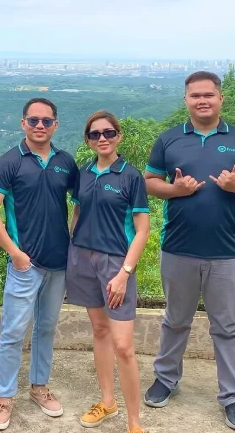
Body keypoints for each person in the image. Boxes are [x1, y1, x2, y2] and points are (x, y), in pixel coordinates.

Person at [142, 71, 235, 431]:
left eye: (209, 95)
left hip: (227, 252)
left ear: (221, 98)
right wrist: (176, 191)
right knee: (175, 320)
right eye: (195, 95)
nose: (202, 101)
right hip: (178, 249)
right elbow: (150, 183)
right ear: (186, 100)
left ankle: (232, 396)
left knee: (227, 327)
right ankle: (166, 379)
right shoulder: (168, 141)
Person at [0, 98, 78, 431]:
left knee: (47, 328)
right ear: (23, 123)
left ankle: (39, 387)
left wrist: (72, 241)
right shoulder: (9, 162)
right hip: (25, 264)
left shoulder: (66, 162)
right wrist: (14, 252)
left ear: (56, 125)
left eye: (46, 121)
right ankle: (4, 397)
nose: (40, 126)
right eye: (33, 120)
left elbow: (78, 205)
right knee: (12, 332)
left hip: (59, 262)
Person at [67, 111, 150, 433]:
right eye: (95, 134)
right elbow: (77, 210)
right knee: (99, 332)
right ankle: (107, 402)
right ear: (87, 139)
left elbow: (142, 230)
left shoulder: (131, 176)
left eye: (109, 132)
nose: (102, 138)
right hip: (82, 259)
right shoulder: (83, 173)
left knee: (124, 345)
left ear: (119, 136)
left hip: (116, 264)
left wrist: (125, 272)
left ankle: (134, 421)